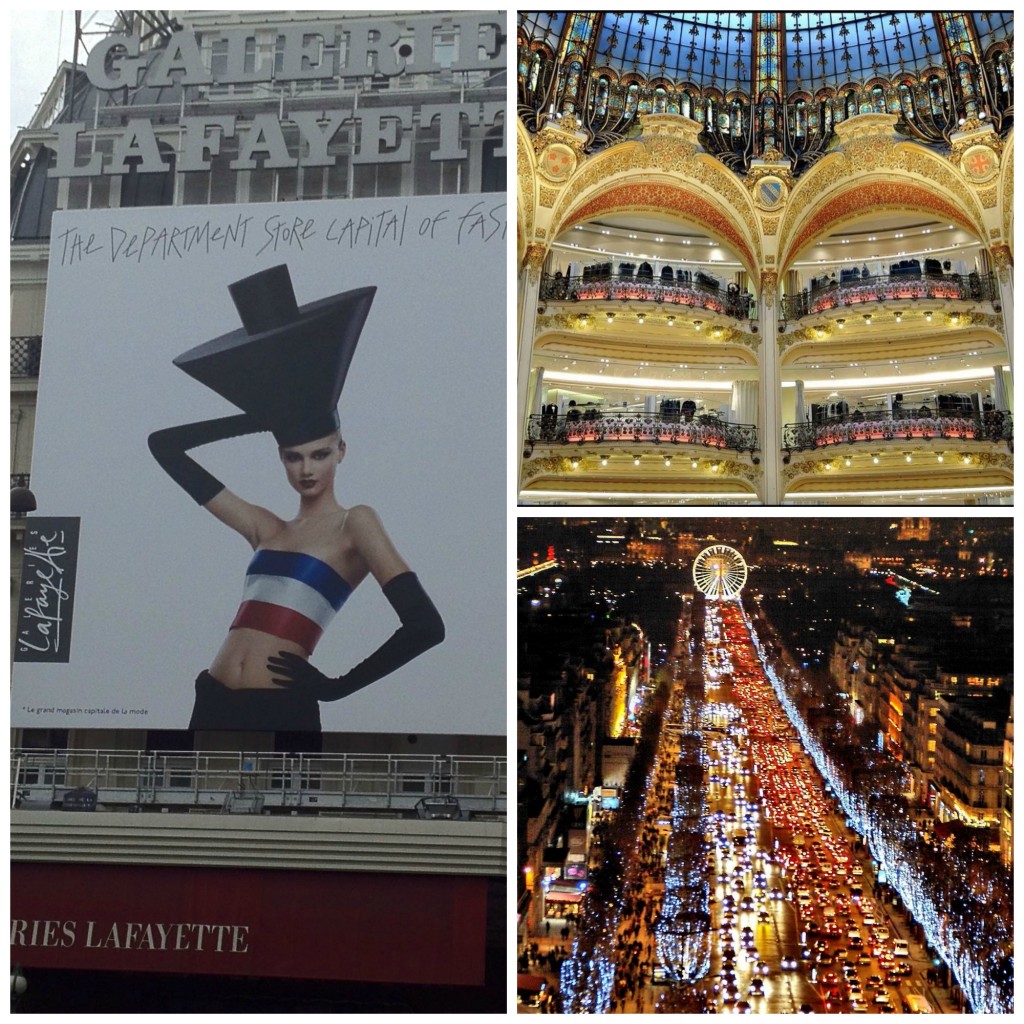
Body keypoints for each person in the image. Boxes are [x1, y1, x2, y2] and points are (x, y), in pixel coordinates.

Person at [148, 265, 444, 732]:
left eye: (320, 453)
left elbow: (427, 627)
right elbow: (163, 446)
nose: (306, 469)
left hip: (284, 706)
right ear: (281, 458)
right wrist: (261, 418)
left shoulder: (355, 524)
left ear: (341, 451)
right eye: (292, 456)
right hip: (213, 697)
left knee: (289, 807)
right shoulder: (265, 527)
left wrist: (336, 686)